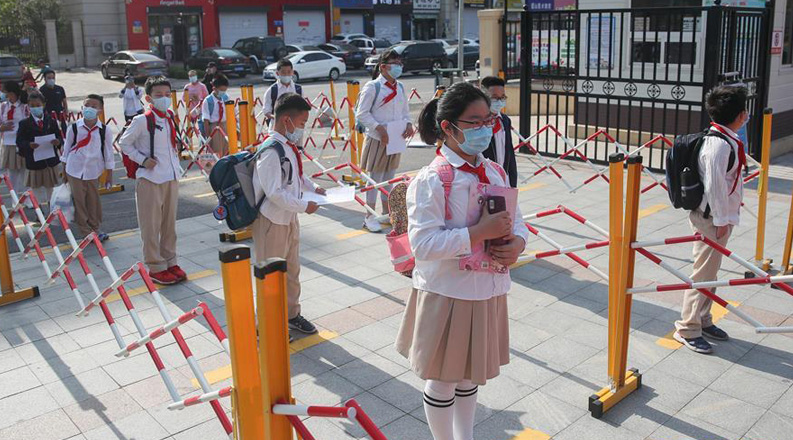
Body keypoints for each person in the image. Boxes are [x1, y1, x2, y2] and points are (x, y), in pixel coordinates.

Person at [396, 82, 528, 440]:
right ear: (448, 127)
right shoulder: (432, 180)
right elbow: (421, 243)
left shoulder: (495, 172)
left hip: (486, 289)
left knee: (469, 376)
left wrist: (517, 243)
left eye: (488, 119)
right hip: (448, 292)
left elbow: (518, 220)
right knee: (443, 379)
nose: (485, 127)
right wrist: (477, 233)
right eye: (474, 122)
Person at [673, 85, 748, 354]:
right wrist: (721, 221)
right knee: (702, 274)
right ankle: (687, 328)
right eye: (745, 111)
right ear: (740, 115)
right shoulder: (718, 145)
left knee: (710, 273)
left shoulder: (724, 138)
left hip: (717, 217)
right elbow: (716, 188)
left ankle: (703, 319)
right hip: (711, 219)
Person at [252, 93, 324, 340]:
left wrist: (314, 189)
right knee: (270, 277)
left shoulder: (288, 146)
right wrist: (305, 205)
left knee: (291, 272)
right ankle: (267, 326)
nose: (303, 128)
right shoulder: (270, 151)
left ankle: (291, 315)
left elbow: (296, 177)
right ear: (286, 120)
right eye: (302, 123)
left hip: (289, 219)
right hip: (271, 221)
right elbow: (274, 193)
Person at [118, 76, 185, 285]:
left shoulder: (170, 117)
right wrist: (143, 160)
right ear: (148, 98)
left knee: (168, 225)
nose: (164, 99)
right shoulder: (142, 120)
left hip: (171, 176)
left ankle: (170, 260)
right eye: (158, 96)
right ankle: (155, 266)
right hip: (150, 179)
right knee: (151, 225)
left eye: (167, 95)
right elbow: (124, 143)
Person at [354, 49, 414, 232]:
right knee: (374, 179)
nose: (398, 67)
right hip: (378, 138)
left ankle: (387, 213)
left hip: (394, 137)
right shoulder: (373, 87)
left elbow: (405, 111)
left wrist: (409, 124)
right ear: (383, 67)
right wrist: (379, 128)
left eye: (400, 63)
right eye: (394, 63)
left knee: (389, 177)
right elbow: (362, 113)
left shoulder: (401, 87)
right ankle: (369, 216)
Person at [61, 94, 114, 241]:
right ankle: (85, 232)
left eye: (94, 106)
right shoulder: (74, 128)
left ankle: (96, 228)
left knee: (93, 201)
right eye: (87, 105)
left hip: (93, 171)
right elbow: (66, 150)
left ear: (100, 110)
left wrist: (109, 174)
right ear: (82, 108)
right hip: (74, 170)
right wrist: (64, 170)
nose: (89, 109)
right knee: (79, 201)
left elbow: (108, 152)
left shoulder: (104, 130)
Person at [16, 90, 63, 206]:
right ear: (28, 106)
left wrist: (58, 142)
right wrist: (28, 145)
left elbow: (59, 137)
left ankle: (52, 210)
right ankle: (39, 212)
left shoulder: (51, 121)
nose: (35, 108)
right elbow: (19, 141)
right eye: (32, 106)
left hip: (49, 161)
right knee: (36, 188)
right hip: (34, 161)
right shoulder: (24, 123)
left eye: (38, 105)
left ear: (43, 105)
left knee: (50, 188)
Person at [480, 76, 517, 188]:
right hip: (484, 182)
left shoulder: (505, 121)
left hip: (503, 181)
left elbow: (509, 153)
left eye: (502, 97)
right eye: (495, 98)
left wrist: (512, 183)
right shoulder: (477, 123)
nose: (499, 102)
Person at [0, 81, 30, 195]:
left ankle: (27, 198)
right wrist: (1, 128)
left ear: (12, 93)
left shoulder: (24, 107)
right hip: (9, 143)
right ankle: (15, 199)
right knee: (12, 173)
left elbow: (30, 123)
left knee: (24, 172)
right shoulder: (3, 107)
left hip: (22, 143)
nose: (3, 94)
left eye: (5, 91)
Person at [263, 59, 303, 129]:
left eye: (289, 72)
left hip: (295, 128)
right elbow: (266, 111)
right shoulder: (272, 90)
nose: (286, 74)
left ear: (292, 72)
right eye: (283, 72)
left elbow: (302, 108)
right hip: (276, 128)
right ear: (277, 73)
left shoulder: (298, 89)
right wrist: (279, 118)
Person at [200, 74, 229, 156]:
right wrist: (208, 137)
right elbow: (206, 120)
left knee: (227, 150)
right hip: (214, 128)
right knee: (216, 152)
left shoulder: (226, 98)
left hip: (225, 125)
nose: (223, 92)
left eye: (225, 90)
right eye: (221, 90)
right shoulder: (208, 101)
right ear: (214, 88)